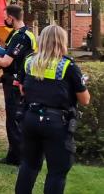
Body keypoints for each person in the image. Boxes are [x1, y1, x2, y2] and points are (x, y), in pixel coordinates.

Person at [15, 25, 90, 194]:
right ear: (61, 41)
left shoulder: (29, 61)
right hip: (57, 123)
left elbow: (22, 90)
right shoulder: (68, 66)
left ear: (41, 40)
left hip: (31, 118)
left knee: (29, 165)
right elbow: (85, 100)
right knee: (57, 172)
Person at [0, 4, 38, 166]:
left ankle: (17, 157)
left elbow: (6, 61)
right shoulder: (21, 33)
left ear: (11, 18)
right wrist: (1, 52)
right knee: (15, 118)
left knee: (14, 119)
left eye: (5, 17)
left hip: (16, 81)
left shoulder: (20, 36)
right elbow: (11, 54)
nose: (4, 20)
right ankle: (15, 154)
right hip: (19, 78)